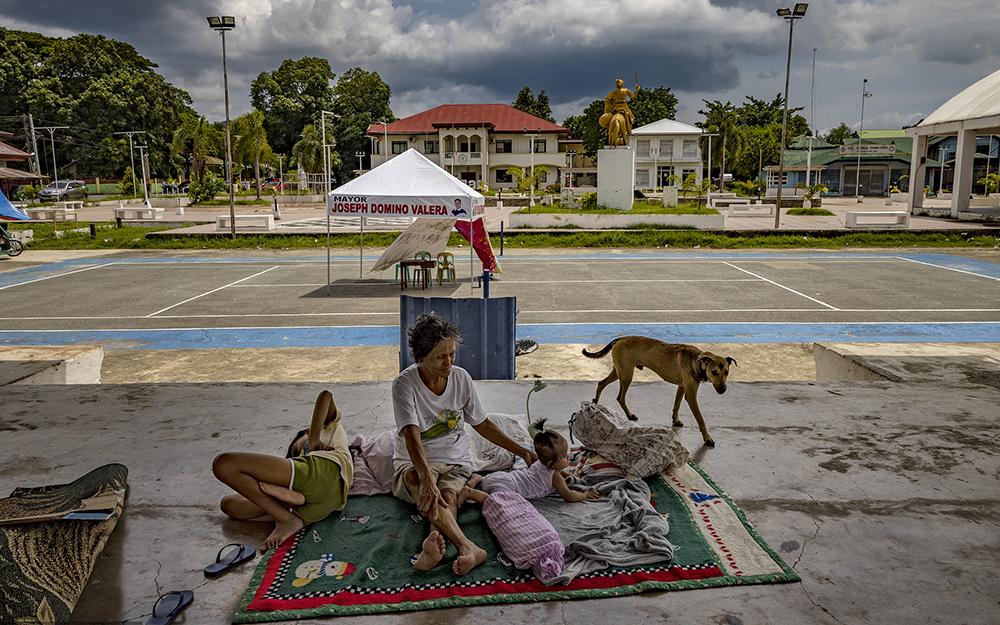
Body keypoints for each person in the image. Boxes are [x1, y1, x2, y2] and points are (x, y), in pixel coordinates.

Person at [392, 312, 537, 575]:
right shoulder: (405, 384)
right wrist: (425, 477)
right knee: (417, 482)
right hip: (416, 460)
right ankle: (467, 546)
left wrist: (521, 450)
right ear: (420, 357)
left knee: (447, 496)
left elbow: (481, 424)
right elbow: (411, 434)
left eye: (451, 354)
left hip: (456, 460)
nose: (448, 362)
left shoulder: (461, 379)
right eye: (440, 356)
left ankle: (434, 546)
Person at [212, 390, 353, 552]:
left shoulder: (329, 427)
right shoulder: (301, 460)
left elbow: (326, 396)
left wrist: (313, 438)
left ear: (306, 431)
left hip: (325, 473)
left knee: (223, 464)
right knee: (229, 505)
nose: (300, 449)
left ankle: (284, 514)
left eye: (299, 445)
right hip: (318, 509)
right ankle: (288, 502)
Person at [459, 419, 600, 505]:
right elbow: (568, 496)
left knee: (487, 484)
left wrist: (572, 476)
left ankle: (477, 479)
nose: (569, 456)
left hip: (501, 477)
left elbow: (562, 474)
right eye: (565, 456)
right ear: (551, 464)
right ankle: (471, 493)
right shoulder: (554, 476)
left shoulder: (540, 462)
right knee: (495, 502)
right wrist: (585, 495)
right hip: (508, 488)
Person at [599, 78, 639, 147]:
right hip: (624, 107)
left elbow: (607, 99)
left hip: (616, 108)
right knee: (630, 118)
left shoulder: (614, 92)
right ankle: (629, 131)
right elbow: (633, 97)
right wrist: (637, 90)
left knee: (612, 117)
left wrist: (611, 103)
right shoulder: (625, 90)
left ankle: (609, 131)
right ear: (622, 84)